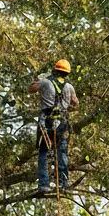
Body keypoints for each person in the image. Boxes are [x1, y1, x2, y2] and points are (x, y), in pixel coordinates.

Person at [29, 59, 78, 194]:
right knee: (61, 153)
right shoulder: (70, 87)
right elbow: (76, 103)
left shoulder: (45, 82)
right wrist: (66, 106)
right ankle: (63, 184)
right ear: (66, 74)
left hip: (46, 121)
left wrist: (37, 80)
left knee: (43, 152)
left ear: (55, 70)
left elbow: (31, 89)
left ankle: (44, 185)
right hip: (62, 122)